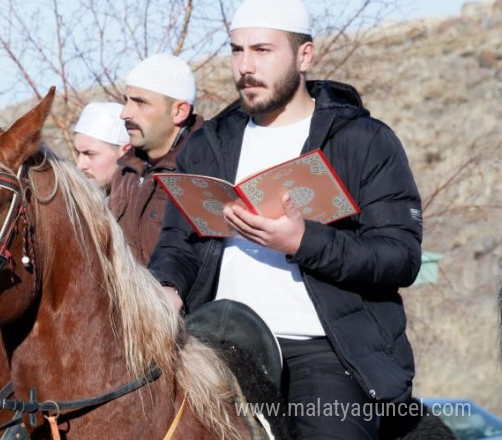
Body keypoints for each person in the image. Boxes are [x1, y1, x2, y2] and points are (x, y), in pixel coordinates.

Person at [148, 0, 423, 438]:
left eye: (262, 50)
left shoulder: (363, 140)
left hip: (327, 356)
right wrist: (167, 287)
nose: (245, 66)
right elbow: (179, 244)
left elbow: (400, 257)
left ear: (305, 55)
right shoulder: (208, 145)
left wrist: (302, 242)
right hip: (217, 347)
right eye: (237, 50)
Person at [109, 53, 203, 265]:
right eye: (126, 101)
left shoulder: (204, 171)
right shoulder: (125, 171)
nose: (125, 113)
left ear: (179, 111)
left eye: (140, 102)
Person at [72, 102, 130, 189]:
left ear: (126, 153)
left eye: (90, 154)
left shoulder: (150, 199)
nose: (80, 166)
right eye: (77, 153)